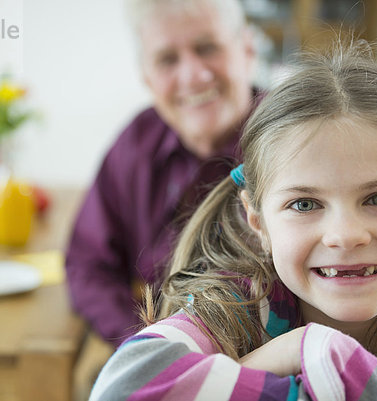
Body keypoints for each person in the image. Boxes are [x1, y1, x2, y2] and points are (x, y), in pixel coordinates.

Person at [89, 41, 377, 401]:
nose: (344, 235)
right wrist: (323, 353)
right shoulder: (238, 308)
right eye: (304, 204)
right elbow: (121, 388)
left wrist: (250, 371)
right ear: (258, 222)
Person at [66, 0, 258, 346]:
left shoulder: (293, 143)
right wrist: (146, 346)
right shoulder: (137, 143)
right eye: (167, 59)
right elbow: (88, 263)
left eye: (207, 47)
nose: (193, 76)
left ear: (247, 49)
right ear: (147, 78)